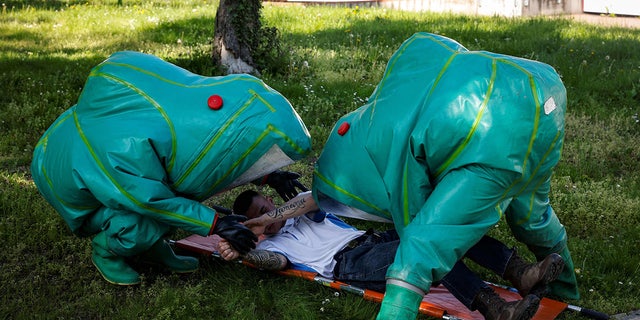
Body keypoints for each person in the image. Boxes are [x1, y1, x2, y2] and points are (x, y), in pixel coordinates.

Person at [310, 32, 580, 319]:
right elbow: (271, 254)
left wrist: (272, 215)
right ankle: (546, 288)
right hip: (543, 101)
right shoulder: (276, 241)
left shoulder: (387, 138)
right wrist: (266, 225)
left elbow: (413, 215)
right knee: (526, 217)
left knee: (425, 243)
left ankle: (504, 294)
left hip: (487, 133)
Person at [30, 51, 312, 286]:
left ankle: (154, 246)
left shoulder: (189, 130)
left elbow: (221, 158)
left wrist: (269, 172)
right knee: (144, 218)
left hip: (123, 172)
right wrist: (217, 224)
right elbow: (150, 200)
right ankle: (107, 251)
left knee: (182, 188)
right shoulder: (125, 150)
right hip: (84, 191)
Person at [218, 190, 566, 320]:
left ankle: (519, 272)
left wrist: (271, 216)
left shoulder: (298, 212)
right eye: (260, 212)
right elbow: (275, 264)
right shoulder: (267, 247)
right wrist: (247, 246)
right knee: (424, 250)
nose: (270, 211)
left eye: (268, 204)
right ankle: (495, 308)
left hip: (374, 239)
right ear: (247, 225)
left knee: (443, 227)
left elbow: (312, 195)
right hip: (349, 263)